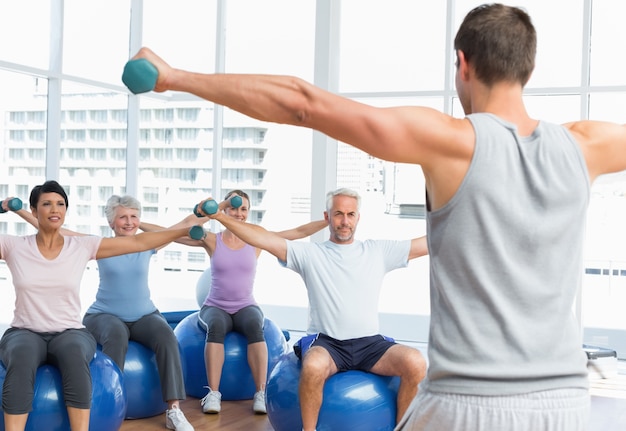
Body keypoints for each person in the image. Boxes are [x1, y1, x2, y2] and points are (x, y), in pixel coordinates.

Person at [124, 4, 626, 429]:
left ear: (463, 63)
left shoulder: (450, 142)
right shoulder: (588, 145)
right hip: (566, 407)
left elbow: (302, 104)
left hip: (470, 405)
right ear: (528, 70)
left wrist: (174, 77)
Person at [195, 188, 428, 430]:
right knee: (314, 365)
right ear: (327, 216)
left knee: (415, 362)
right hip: (327, 343)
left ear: (358, 217)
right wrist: (221, 217)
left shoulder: (377, 251)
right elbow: (261, 239)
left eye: (350, 214)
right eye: (338, 214)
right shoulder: (309, 253)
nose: (345, 221)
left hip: (369, 343)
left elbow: (427, 243)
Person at [0, 181, 202, 431]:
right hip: (44, 327)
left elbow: (141, 243)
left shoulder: (86, 246)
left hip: (82, 328)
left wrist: (182, 231)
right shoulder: (18, 245)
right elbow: (43, 226)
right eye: (47, 204)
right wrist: (10, 207)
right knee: (22, 358)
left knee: (78, 355)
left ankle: (171, 409)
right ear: (34, 209)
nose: (55, 209)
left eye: (60, 204)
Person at [141, 189, 327, 416]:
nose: (238, 213)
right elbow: (168, 234)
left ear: (248, 213)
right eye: (233, 208)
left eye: (243, 209)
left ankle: (261, 392)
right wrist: (137, 223)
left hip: (245, 305)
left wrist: (326, 222)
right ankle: (213, 393)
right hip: (215, 306)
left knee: (254, 327)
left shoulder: (256, 239)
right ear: (224, 210)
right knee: (216, 327)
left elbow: (297, 232)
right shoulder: (211, 239)